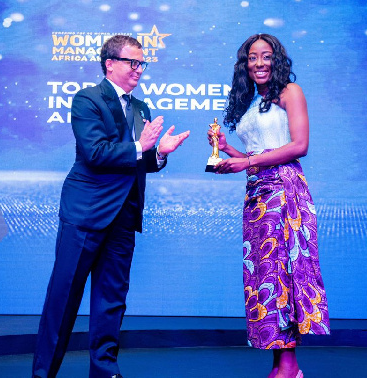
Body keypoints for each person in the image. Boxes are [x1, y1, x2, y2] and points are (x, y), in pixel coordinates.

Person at [33, 35, 190, 378]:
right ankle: (43, 374)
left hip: (124, 216)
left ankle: (105, 372)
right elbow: (96, 153)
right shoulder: (87, 99)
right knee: (63, 301)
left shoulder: (141, 107)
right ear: (110, 64)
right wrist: (140, 145)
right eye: (133, 62)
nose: (139, 69)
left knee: (111, 300)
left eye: (142, 64)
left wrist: (159, 152)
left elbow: (140, 160)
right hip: (86, 215)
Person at [208, 33, 330, 378]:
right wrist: (229, 152)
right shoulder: (251, 99)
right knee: (264, 275)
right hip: (258, 193)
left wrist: (246, 163)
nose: (258, 63)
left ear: (277, 60)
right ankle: (281, 364)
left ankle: (289, 367)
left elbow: (299, 145)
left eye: (265, 56)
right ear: (244, 64)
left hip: (284, 191)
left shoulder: (290, 92)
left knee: (285, 273)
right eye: (251, 57)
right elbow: (258, 155)